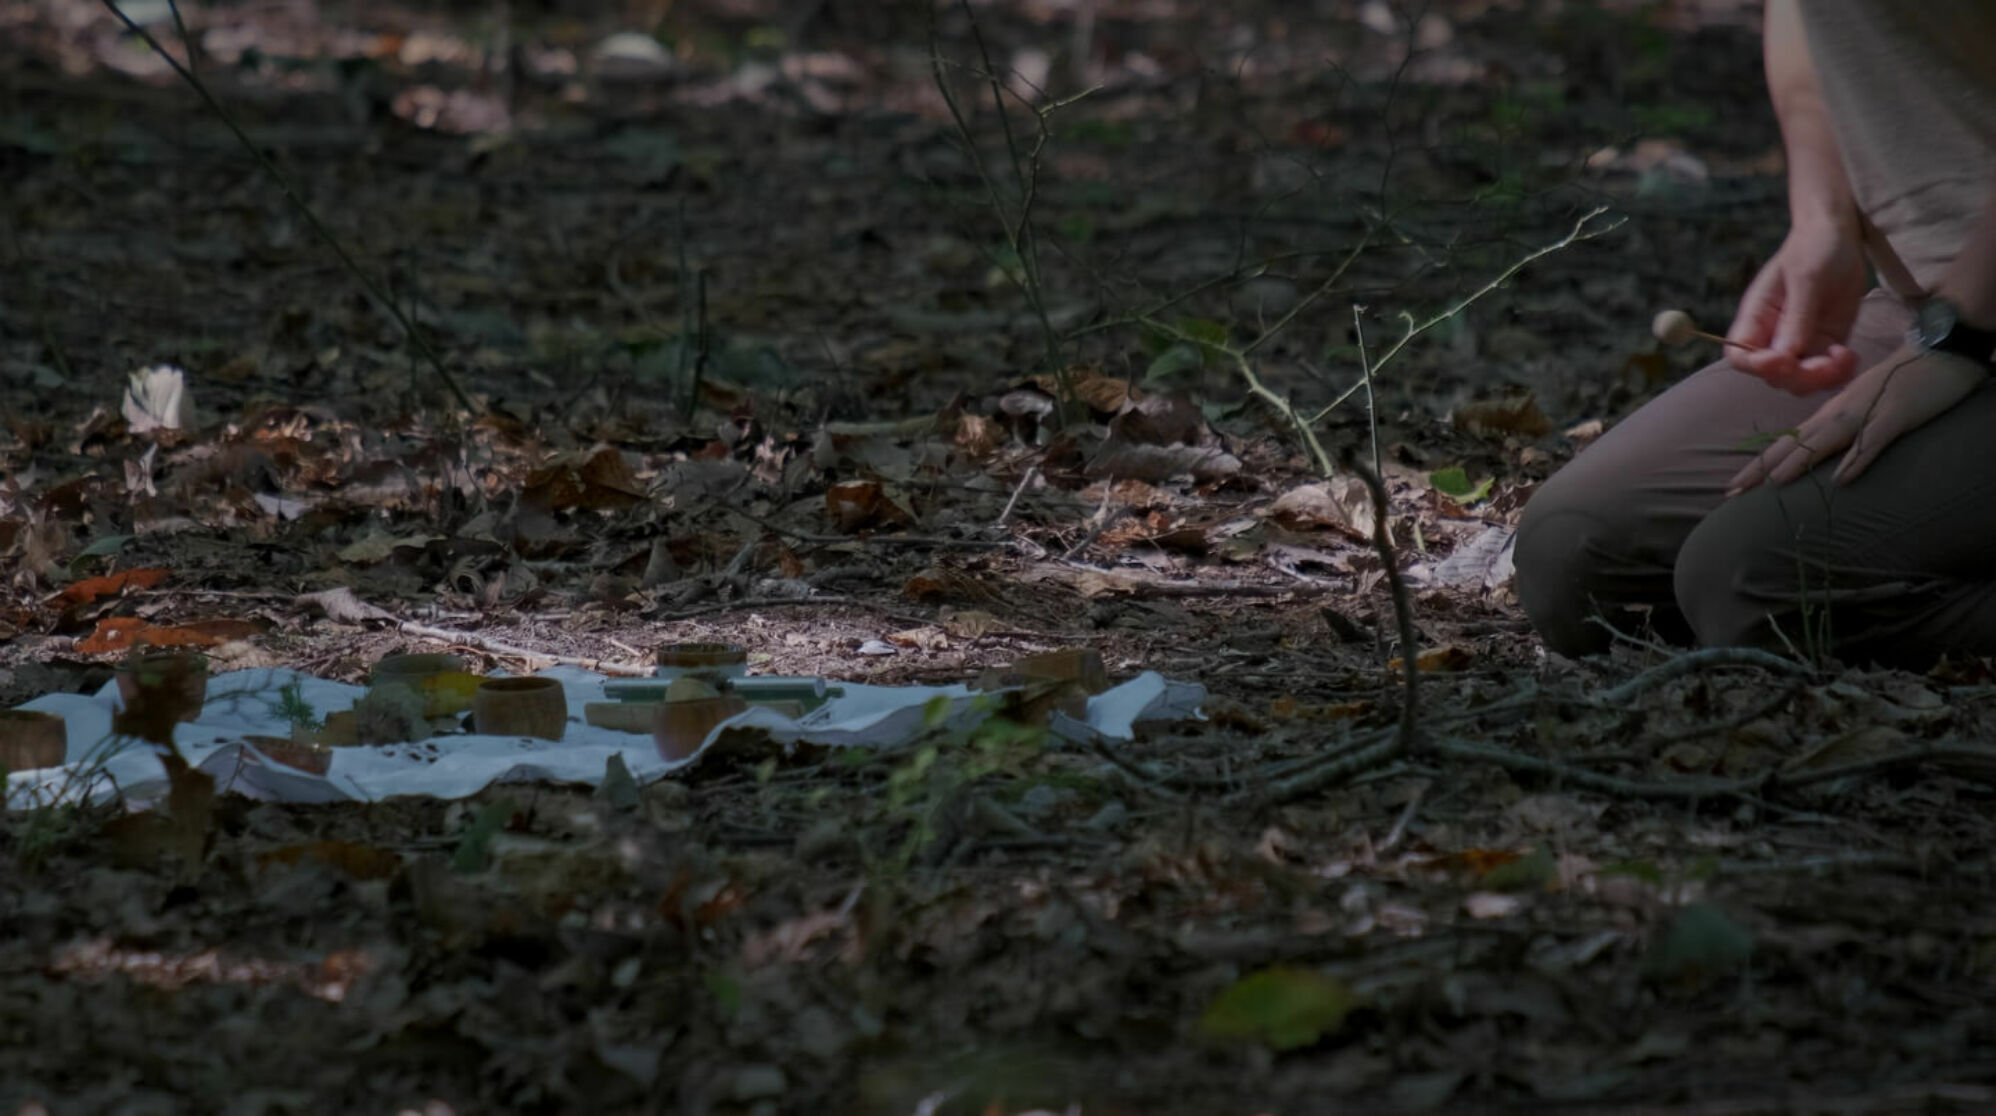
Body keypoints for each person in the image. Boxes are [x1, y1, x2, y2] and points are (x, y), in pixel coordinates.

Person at [1513, 0, 1996, 669]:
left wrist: (1962, 331)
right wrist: (1822, 219)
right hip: (1922, 307)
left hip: (1965, 320)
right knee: (1571, 554)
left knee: (1751, 584)